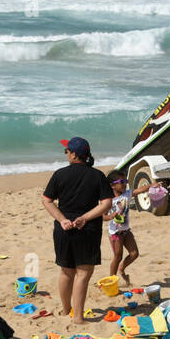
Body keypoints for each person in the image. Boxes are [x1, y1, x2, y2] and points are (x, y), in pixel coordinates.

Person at [41, 137, 113, 322]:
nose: (65, 153)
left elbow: (47, 200)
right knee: (83, 273)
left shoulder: (60, 174)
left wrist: (63, 219)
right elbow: (106, 203)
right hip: (88, 229)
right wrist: (85, 218)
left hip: (64, 230)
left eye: (66, 151)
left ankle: (66, 311)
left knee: (66, 271)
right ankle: (78, 317)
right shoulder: (97, 176)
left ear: (74, 154)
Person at [103, 170, 140, 285]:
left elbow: (140, 190)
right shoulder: (108, 200)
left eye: (126, 181)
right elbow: (103, 216)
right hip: (115, 233)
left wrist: (153, 185)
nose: (125, 184)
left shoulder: (127, 194)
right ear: (112, 185)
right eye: (121, 181)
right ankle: (112, 281)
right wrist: (112, 216)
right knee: (118, 256)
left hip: (126, 231)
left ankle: (122, 269)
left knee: (134, 254)